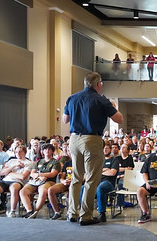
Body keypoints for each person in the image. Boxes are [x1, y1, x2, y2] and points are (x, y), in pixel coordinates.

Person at [63, 71, 123, 225]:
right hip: (92, 139)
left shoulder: (72, 98)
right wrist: (113, 107)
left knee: (76, 178)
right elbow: (119, 119)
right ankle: (85, 215)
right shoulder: (101, 100)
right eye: (101, 83)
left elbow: (65, 120)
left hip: (74, 139)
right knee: (91, 178)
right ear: (98, 84)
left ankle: (72, 213)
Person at [0, 144, 32, 217]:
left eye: (20, 152)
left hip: (17, 181)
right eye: (16, 152)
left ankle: (12, 211)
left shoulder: (28, 163)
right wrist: (13, 167)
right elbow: (2, 173)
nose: (18, 154)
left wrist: (10, 173)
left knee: (14, 189)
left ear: (25, 153)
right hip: (5, 180)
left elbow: (22, 176)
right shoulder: (11, 161)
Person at [20, 143, 61, 218]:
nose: (47, 151)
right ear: (42, 151)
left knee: (43, 192)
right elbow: (32, 173)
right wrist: (39, 175)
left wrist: (41, 174)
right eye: (45, 149)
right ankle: (29, 211)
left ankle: (35, 211)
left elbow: (52, 174)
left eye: (49, 149)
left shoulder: (55, 162)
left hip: (48, 181)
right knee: (23, 191)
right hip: (36, 180)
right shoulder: (39, 161)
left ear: (52, 151)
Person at [93, 144, 119, 222]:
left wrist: (100, 172)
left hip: (109, 183)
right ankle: (84, 212)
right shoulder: (98, 161)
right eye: (103, 148)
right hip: (97, 182)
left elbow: (112, 173)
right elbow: (93, 172)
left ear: (110, 150)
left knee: (100, 188)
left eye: (107, 148)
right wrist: (105, 170)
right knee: (83, 188)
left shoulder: (114, 160)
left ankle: (102, 213)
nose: (105, 150)